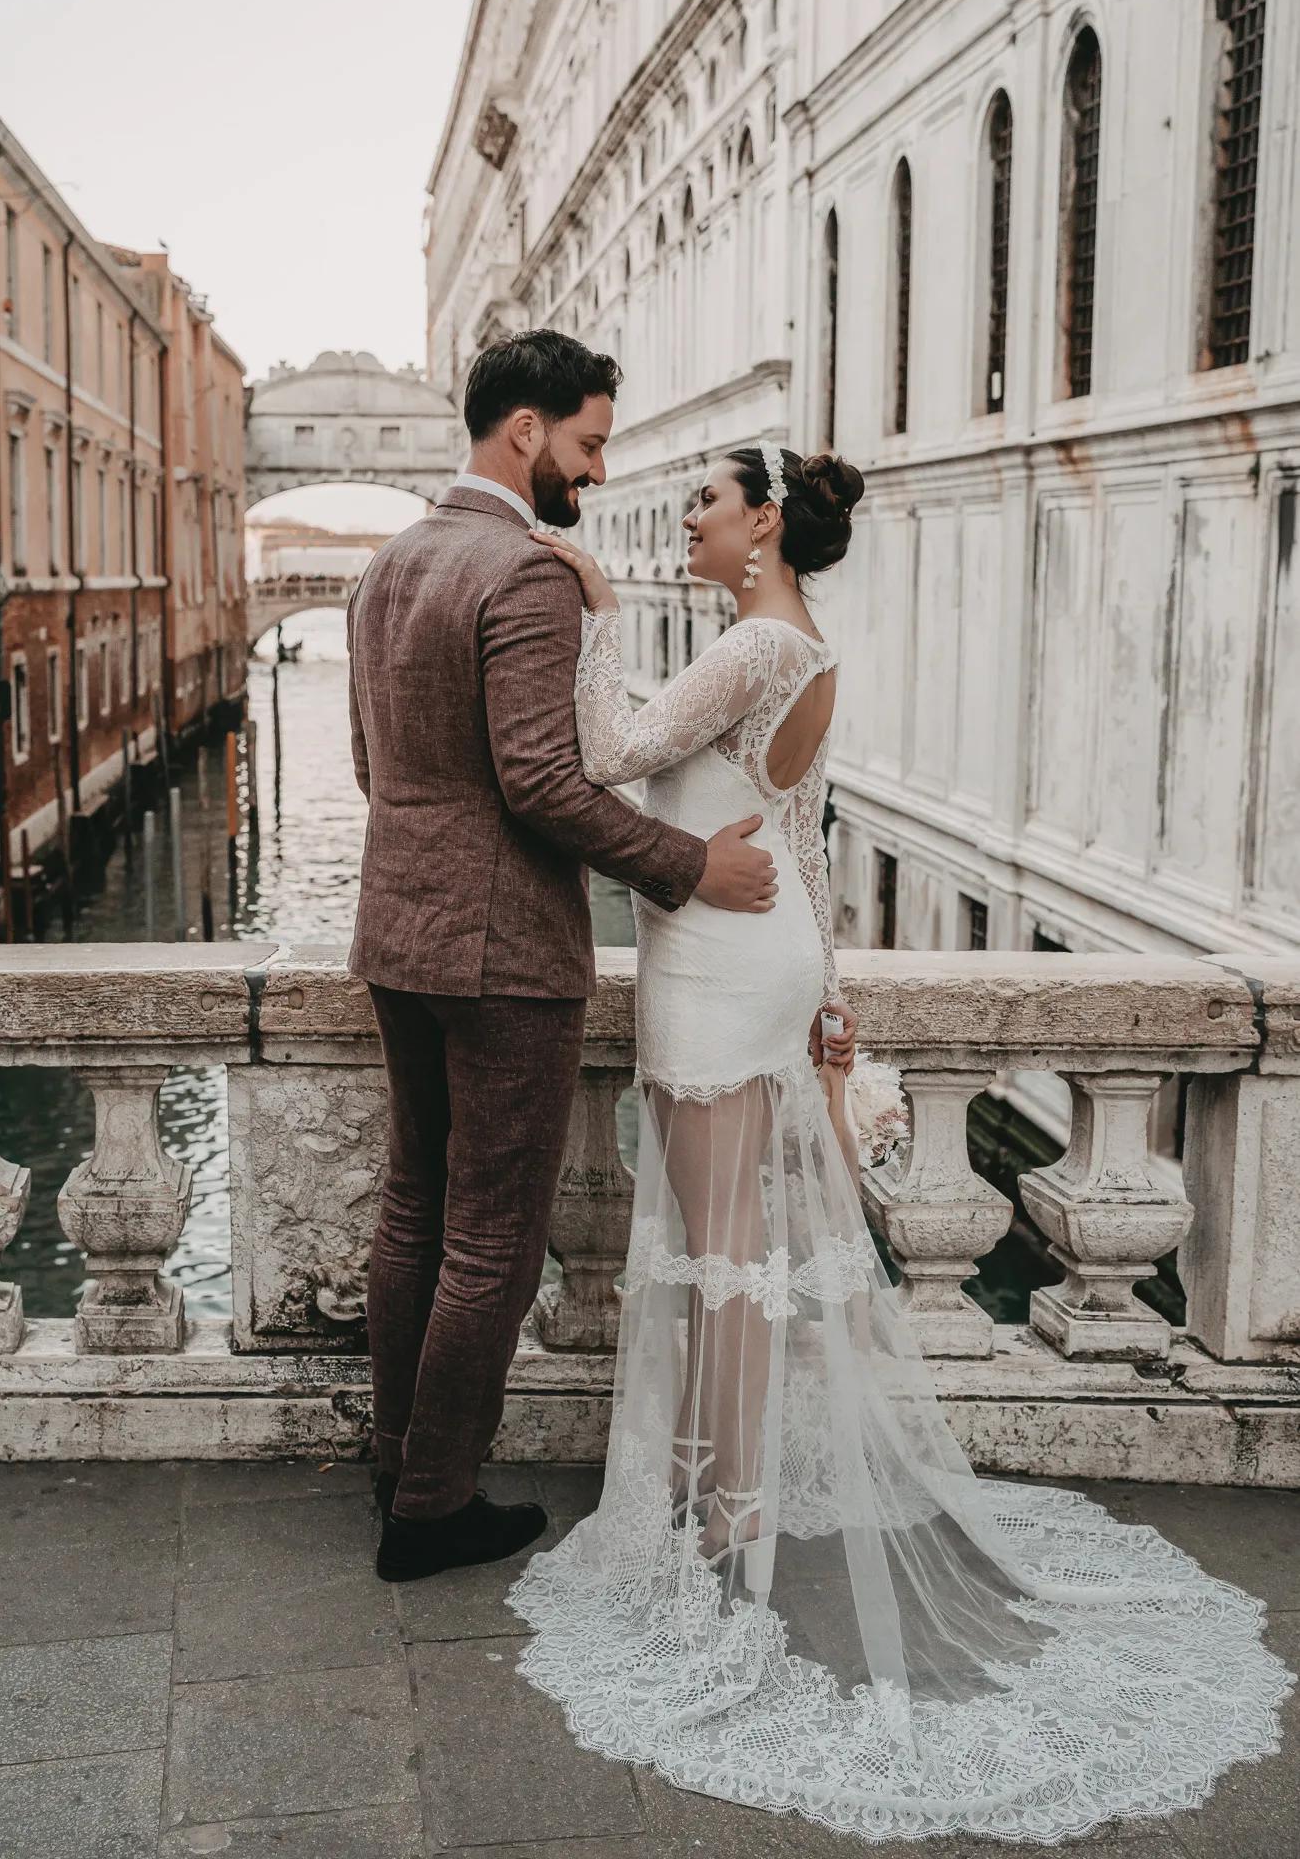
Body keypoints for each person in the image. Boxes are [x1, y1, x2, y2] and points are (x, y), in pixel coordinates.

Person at [507, 438, 1292, 1844]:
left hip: (717, 962)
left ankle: (723, 1523)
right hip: (773, 947)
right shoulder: (802, 645)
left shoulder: (750, 642)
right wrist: (834, 994)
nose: (687, 516)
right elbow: (801, 838)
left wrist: (595, 610)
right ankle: (719, 1502)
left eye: (707, 500)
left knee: (717, 1251)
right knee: (728, 1245)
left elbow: (620, 755)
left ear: (762, 529)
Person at [346, 331, 837, 1584]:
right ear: (527, 431)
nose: (599, 470)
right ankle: (434, 1501)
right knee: (493, 1240)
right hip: (503, 948)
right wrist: (686, 867)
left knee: (414, 1205)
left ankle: (399, 1453)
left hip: (396, 929)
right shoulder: (525, 573)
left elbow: (372, 768)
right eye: (590, 441)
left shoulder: (386, 564)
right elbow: (546, 780)